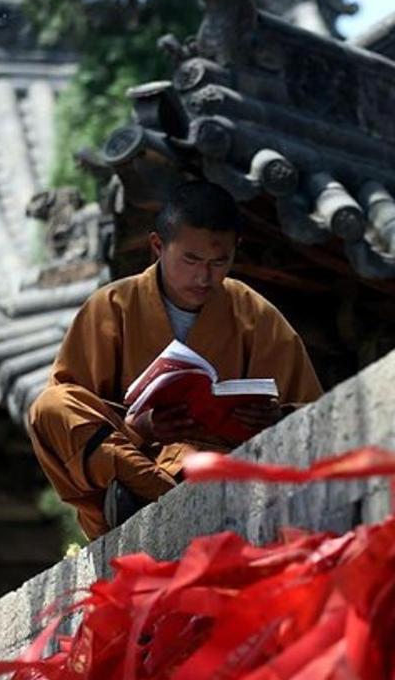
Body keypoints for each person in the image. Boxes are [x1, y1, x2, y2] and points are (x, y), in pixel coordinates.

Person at [28, 180, 323, 539]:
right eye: (191, 259)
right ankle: (157, 492)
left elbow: (311, 412)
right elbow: (71, 407)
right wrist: (142, 428)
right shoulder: (111, 307)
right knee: (50, 405)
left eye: (219, 262)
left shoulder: (255, 314)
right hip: (135, 466)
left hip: (223, 465)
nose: (204, 276)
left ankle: (157, 494)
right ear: (158, 246)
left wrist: (274, 417)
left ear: (235, 251)